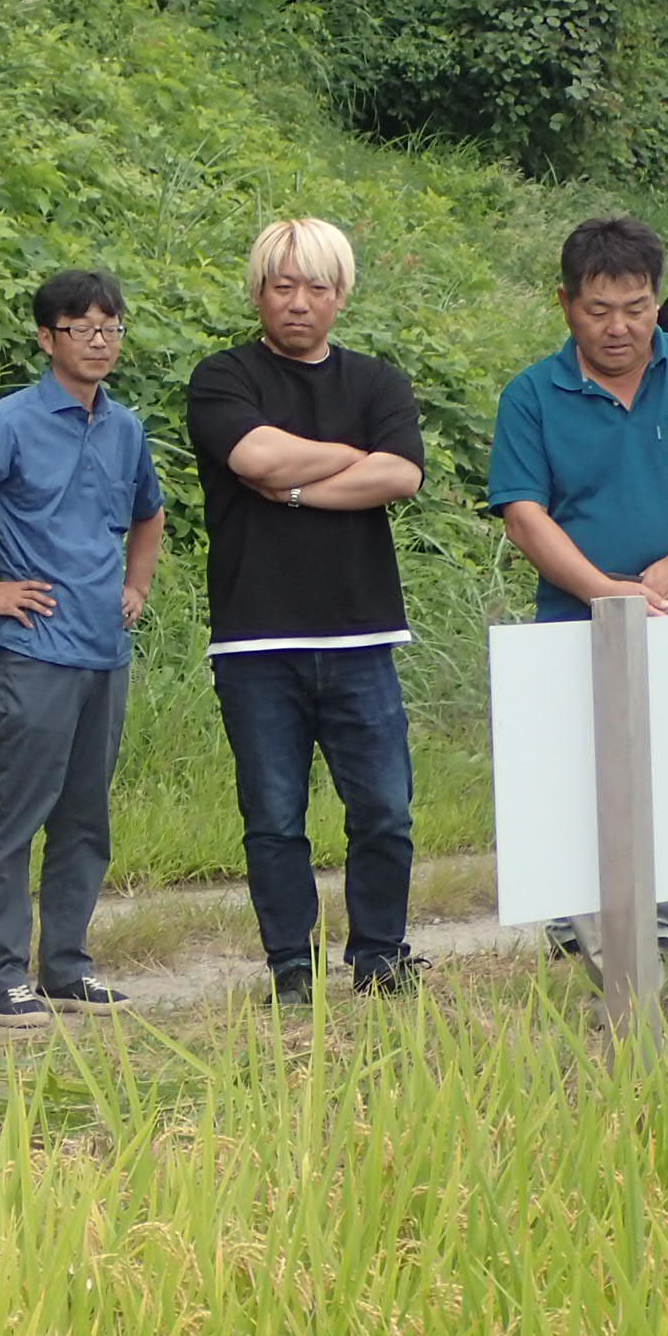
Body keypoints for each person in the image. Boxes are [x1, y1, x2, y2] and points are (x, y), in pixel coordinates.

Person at [486, 215, 668, 1000]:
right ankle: (624, 992)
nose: (620, 327)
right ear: (565, 303)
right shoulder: (533, 394)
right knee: (590, 828)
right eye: (598, 309)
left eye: (638, 307)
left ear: (656, 299)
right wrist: (604, 589)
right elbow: (524, 513)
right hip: (575, 638)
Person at [183, 218, 427, 1002]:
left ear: (341, 295)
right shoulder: (223, 377)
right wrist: (357, 457)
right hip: (256, 640)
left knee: (385, 809)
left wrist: (292, 486)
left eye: (316, 287)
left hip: (364, 634)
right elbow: (250, 455)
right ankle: (292, 965)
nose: (298, 303)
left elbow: (402, 477)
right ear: (258, 292)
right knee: (275, 817)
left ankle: (381, 956)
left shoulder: (378, 384)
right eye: (282, 286)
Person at [0, 270, 164, 1028]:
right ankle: (2, 976)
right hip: (33, 654)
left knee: (86, 820)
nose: (98, 339)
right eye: (81, 325)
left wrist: (138, 587)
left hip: (103, 653)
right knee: (17, 817)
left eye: (111, 326)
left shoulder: (125, 426)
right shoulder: (13, 422)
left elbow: (149, 514)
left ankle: (66, 969)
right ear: (46, 336)